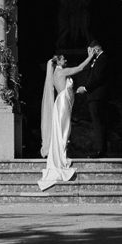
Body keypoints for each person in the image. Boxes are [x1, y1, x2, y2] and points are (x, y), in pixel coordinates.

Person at [38, 50, 94, 190]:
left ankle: (62, 153)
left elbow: (66, 88)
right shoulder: (61, 72)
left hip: (63, 102)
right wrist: (90, 57)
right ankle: (61, 156)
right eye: (63, 59)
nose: (65, 61)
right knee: (64, 129)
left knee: (64, 129)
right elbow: (80, 68)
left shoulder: (59, 72)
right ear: (58, 62)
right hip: (63, 103)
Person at [75, 40, 109, 157]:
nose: (88, 54)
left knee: (98, 123)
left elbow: (97, 77)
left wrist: (85, 88)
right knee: (97, 122)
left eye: (90, 51)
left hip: (97, 96)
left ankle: (100, 150)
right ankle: (100, 149)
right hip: (94, 96)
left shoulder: (103, 58)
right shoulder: (97, 59)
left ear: (95, 50)